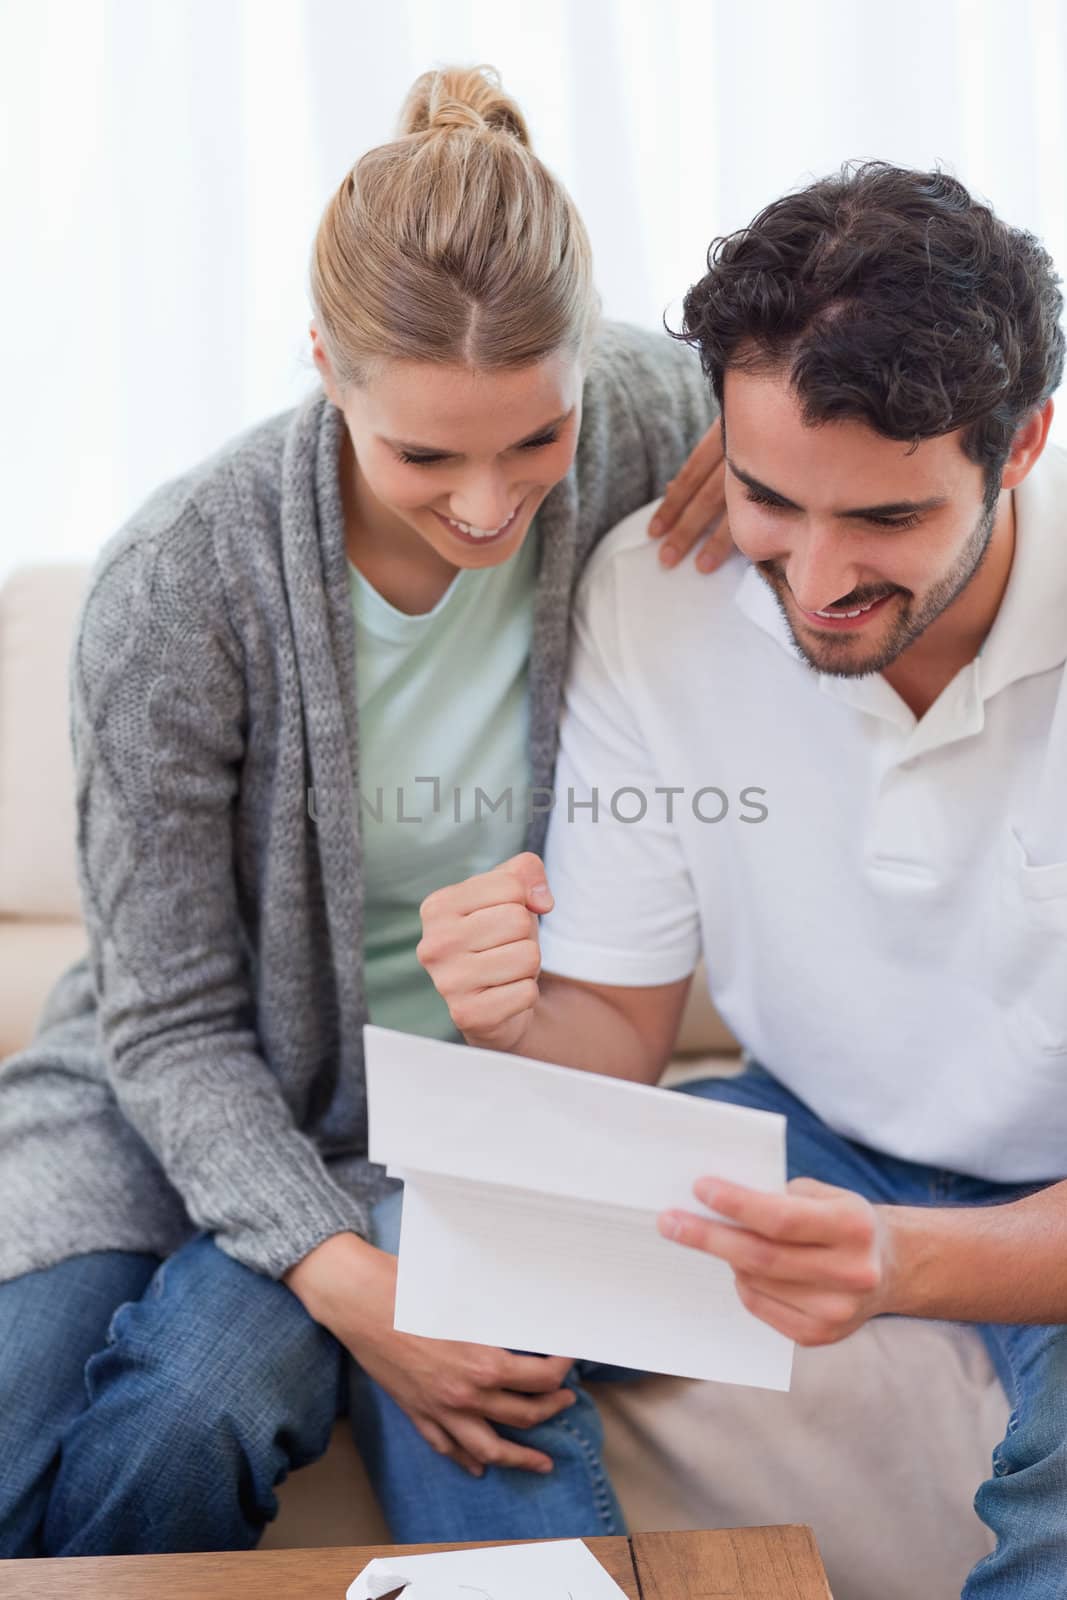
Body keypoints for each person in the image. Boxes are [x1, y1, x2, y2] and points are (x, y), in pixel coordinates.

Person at [0, 65, 731, 1557]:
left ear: (586, 371)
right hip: (188, 1092)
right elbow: (172, 1027)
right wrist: (352, 1281)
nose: (486, 505)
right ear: (324, 364)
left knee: (191, 1409)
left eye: (537, 442)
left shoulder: (646, 414)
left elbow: (816, 385)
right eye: (422, 456)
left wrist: (765, 463)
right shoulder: (180, 586)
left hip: (477, 1120)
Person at [416, 163, 1067, 1595]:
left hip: (1047, 1184)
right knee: (442, 1264)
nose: (819, 580)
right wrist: (508, 1016)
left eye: (886, 522)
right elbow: (614, 1041)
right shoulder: (662, 601)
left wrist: (899, 1261)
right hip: (807, 1125)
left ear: (1019, 446)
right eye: (770, 496)